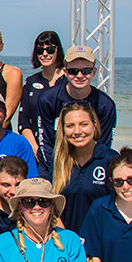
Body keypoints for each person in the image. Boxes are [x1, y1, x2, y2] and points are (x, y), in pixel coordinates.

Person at [34, 45, 116, 174]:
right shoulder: (47, 99)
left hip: (90, 169)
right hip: (53, 166)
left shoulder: (105, 105)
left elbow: (103, 145)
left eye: (86, 71)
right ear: (65, 72)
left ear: (94, 72)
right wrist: (58, 171)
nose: (80, 75)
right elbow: (45, 144)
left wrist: (84, 173)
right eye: (73, 71)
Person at [51, 103, 119, 232]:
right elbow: (51, 207)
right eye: (70, 126)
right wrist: (67, 240)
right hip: (65, 242)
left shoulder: (110, 160)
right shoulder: (58, 161)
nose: (77, 131)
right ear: (63, 129)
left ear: (94, 125)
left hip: (99, 243)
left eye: (83, 124)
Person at [17, 31, 66, 154]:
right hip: (38, 150)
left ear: (58, 50)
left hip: (65, 150)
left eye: (50, 49)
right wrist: (34, 148)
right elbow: (23, 121)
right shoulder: (31, 82)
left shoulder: (69, 81)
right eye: (40, 50)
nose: (45, 54)